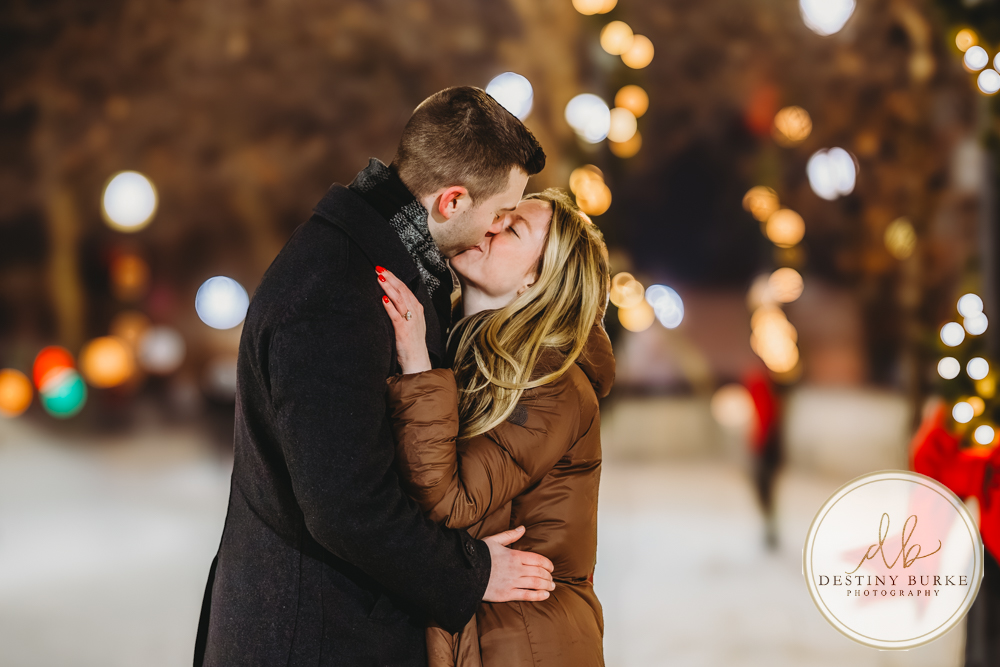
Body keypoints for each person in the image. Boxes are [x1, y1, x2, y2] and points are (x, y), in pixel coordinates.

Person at [195, 87, 557, 667]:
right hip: (314, 637)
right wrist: (471, 572)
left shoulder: (386, 269)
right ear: (451, 202)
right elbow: (346, 506)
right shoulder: (335, 290)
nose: (499, 229)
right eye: (500, 214)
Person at [376, 189, 615, 666]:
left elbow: (450, 499)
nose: (489, 226)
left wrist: (417, 362)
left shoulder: (552, 382)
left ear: (537, 278)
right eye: (497, 216)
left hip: (526, 640)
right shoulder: (474, 358)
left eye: (513, 228)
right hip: (492, 629)